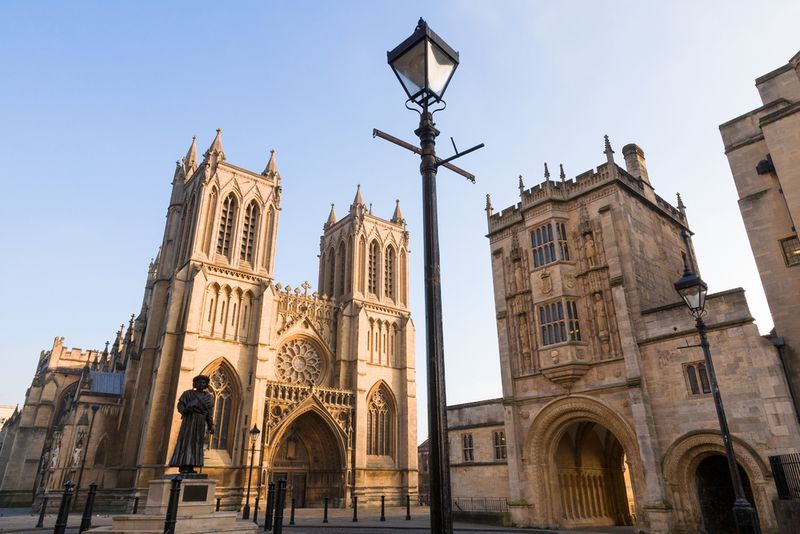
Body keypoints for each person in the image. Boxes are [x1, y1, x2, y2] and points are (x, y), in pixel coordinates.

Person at [169, 375, 215, 474]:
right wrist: (185, 409)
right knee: (187, 441)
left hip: (200, 422)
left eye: (203, 382)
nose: (201, 384)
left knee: (197, 442)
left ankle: (192, 463)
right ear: (195, 384)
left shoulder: (209, 397)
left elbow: (209, 413)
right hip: (189, 420)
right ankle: (184, 463)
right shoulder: (187, 394)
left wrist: (211, 425)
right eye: (199, 382)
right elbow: (180, 405)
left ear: (206, 385)